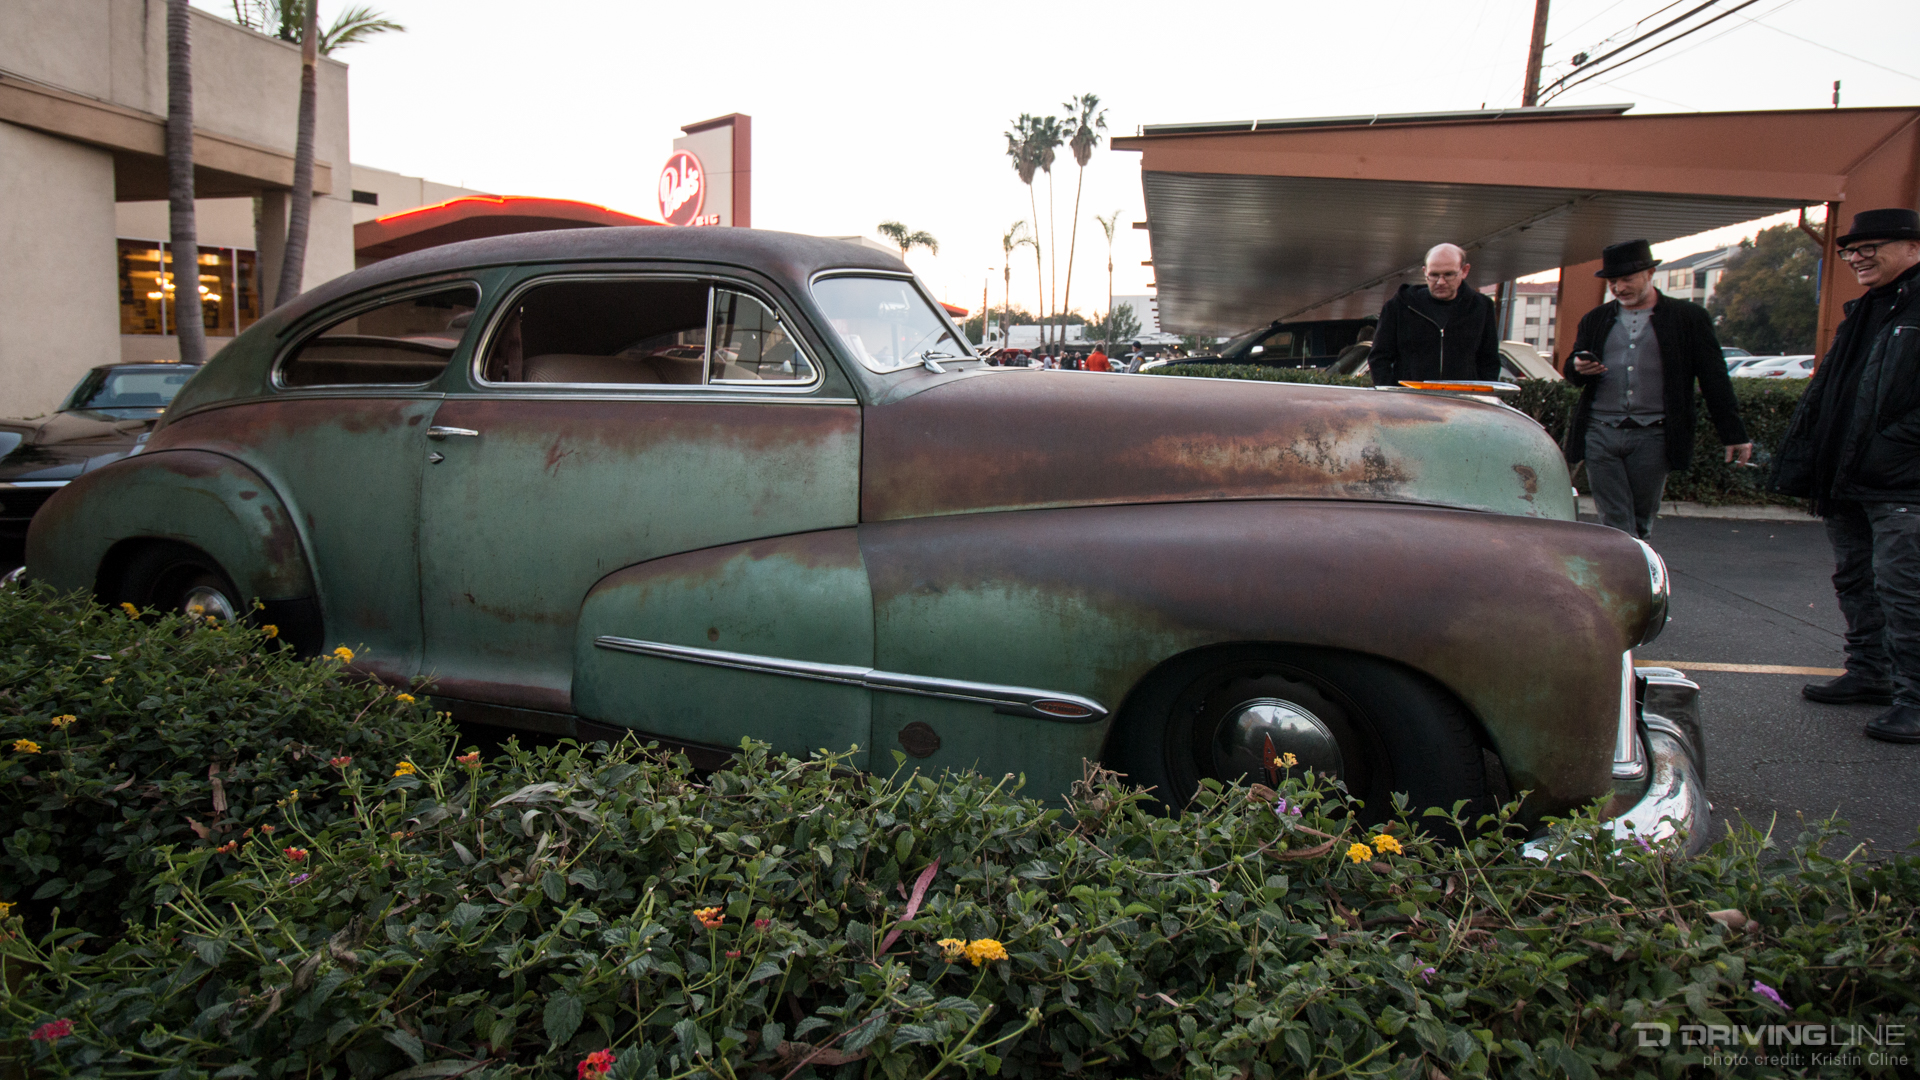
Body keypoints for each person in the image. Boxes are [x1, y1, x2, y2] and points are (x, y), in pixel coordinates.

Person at [1768, 208, 1920, 743]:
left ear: (1912, 248)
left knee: (1905, 588)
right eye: (1850, 250)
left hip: (1903, 482)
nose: (1857, 257)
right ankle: (1870, 673)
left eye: (1869, 247)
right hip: (1849, 476)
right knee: (1856, 579)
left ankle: (1916, 699)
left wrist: (1890, 449)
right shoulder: (1866, 309)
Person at [1564, 239, 1753, 540]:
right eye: (1613, 282)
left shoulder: (1687, 318)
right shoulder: (1596, 319)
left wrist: (1734, 434)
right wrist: (1577, 368)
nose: (1619, 288)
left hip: (1654, 434)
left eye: (1627, 279)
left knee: (1640, 520)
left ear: (1650, 273)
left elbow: (1714, 377)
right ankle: (1624, 578)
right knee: (1614, 520)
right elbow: (1572, 372)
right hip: (1600, 431)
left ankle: (1637, 576)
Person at [1367, 243, 1501, 385]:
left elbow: (1489, 359)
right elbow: (1379, 358)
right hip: (1409, 402)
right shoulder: (1399, 307)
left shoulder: (1481, 307)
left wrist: (1479, 397)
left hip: (1463, 402)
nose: (1440, 282)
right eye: (1434, 275)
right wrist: (1394, 395)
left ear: (1465, 271)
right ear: (1425, 271)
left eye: (1449, 274)